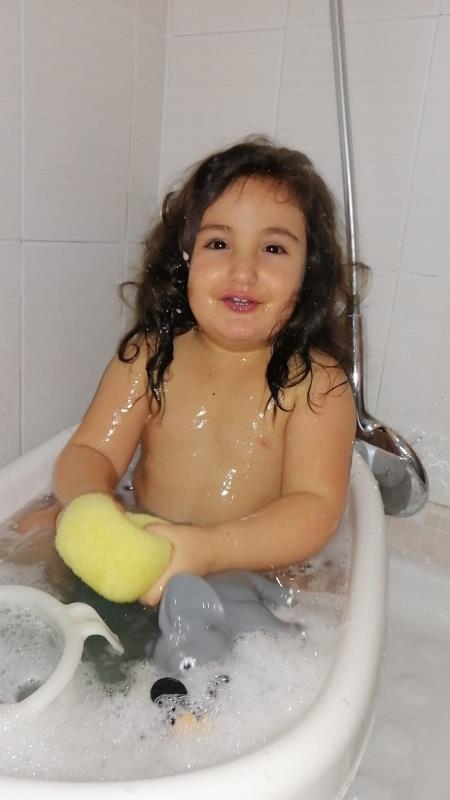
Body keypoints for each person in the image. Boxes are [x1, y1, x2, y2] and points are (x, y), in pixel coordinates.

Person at [18, 136, 356, 607]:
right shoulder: (150, 358)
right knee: (32, 532)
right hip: (147, 538)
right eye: (218, 243)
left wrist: (212, 550)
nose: (243, 269)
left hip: (246, 569)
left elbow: (314, 509)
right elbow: (90, 451)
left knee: (259, 612)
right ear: (186, 259)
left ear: (308, 273)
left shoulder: (315, 385)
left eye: (273, 248)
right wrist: (95, 504)